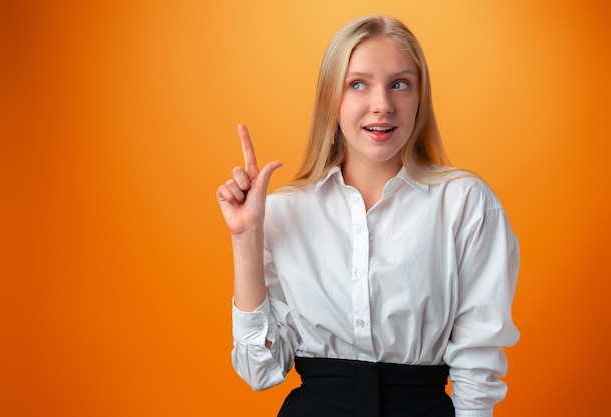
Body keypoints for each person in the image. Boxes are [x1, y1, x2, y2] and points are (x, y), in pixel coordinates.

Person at [216, 14, 519, 417]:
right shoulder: (284, 211)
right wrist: (246, 238)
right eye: (358, 84)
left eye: (400, 84)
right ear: (331, 99)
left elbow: (477, 364)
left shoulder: (466, 204)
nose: (382, 105)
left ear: (419, 98)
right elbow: (261, 371)